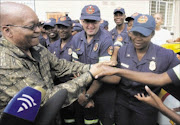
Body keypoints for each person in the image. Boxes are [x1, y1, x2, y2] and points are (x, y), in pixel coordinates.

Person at [0, 2, 113, 124]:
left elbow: (61, 66)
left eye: (38, 25)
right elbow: (45, 100)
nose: (39, 30)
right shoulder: (5, 62)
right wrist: (90, 74)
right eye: (31, 26)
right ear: (8, 31)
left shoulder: (37, 48)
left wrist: (91, 67)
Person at [99, 14, 180, 125]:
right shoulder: (122, 51)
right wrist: (97, 75)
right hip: (123, 102)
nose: (138, 38)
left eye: (143, 35)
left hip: (147, 105)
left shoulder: (166, 56)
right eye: (135, 33)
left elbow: (176, 77)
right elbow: (115, 77)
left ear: (152, 34)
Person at [72, 4, 115, 125]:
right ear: (81, 21)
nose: (90, 26)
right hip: (82, 90)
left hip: (102, 91)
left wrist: (87, 96)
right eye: (86, 21)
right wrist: (82, 94)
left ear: (100, 21)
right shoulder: (76, 39)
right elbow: (74, 69)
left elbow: (102, 73)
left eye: (94, 21)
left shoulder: (106, 39)